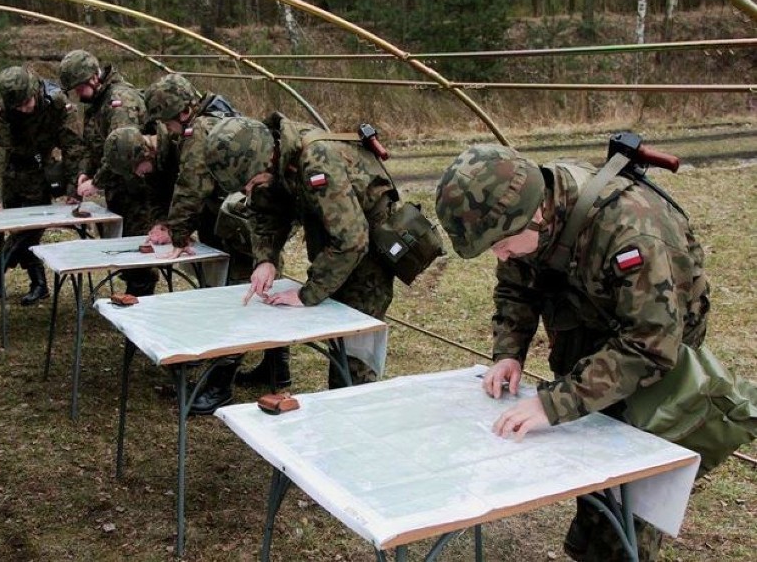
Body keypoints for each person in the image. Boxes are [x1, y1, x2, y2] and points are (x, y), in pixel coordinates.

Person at [434, 144, 711, 562]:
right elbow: (517, 287)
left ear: (539, 215)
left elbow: (651, 344)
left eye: (503, 243)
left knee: (631, 490)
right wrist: (509, 352)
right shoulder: (525, 214)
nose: (500, 254)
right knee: (592, 463)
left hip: (654, 355)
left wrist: (553, 403)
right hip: (591, 328)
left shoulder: (631, 229)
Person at [204, 114, 397, 390]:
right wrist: (265, 260)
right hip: (338, 239)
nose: (249, 189)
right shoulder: (272, 157)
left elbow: (352, 240)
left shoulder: (315, 160)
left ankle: (353, 412)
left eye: (250, 182)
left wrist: (307, 293)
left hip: (369, 251)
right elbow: (264, 212)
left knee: (355, 349)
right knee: (338, 342)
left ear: (265, 158)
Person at [140, 73, 289, 414]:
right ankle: (276, 370)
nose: (167, 130)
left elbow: (191, 185)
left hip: (244, 224)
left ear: (180, 114)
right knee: (265, 292)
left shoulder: (200, 132)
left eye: (166, 122)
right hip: (245, 221)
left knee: (239, 297)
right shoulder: (215, 117)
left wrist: (177, 232)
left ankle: (220, 385)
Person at [0, 66, 83, 305]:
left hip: (40, 173)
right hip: (12, 175)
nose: (24, 109)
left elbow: (73, 147)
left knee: (32, 229)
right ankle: (39, 284)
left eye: (27, 102)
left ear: (35, 90)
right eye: (18, 106)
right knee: (19, 230)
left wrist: (73, 189)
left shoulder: (57, 102)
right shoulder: (7, 110)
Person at [58, 49, 155, 296]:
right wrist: (84, 174)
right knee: (122, 251)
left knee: (138, 258)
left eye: (79, 88)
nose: (78, 95)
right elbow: (94, 147)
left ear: (94, 77)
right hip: (120, 191)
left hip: (139, 192)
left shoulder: (120, 101)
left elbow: (124, 150)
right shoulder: (97, 103)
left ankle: (140, 315)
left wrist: (96, 182)